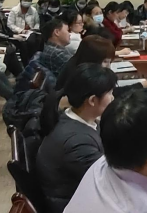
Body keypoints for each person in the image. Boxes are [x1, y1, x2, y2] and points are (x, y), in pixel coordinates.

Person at [37, 63, 117, 213]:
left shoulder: (75, 117)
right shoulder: (77, 143)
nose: (113, 98)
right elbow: (113, 181)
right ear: (92, 100)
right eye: (110, 93)